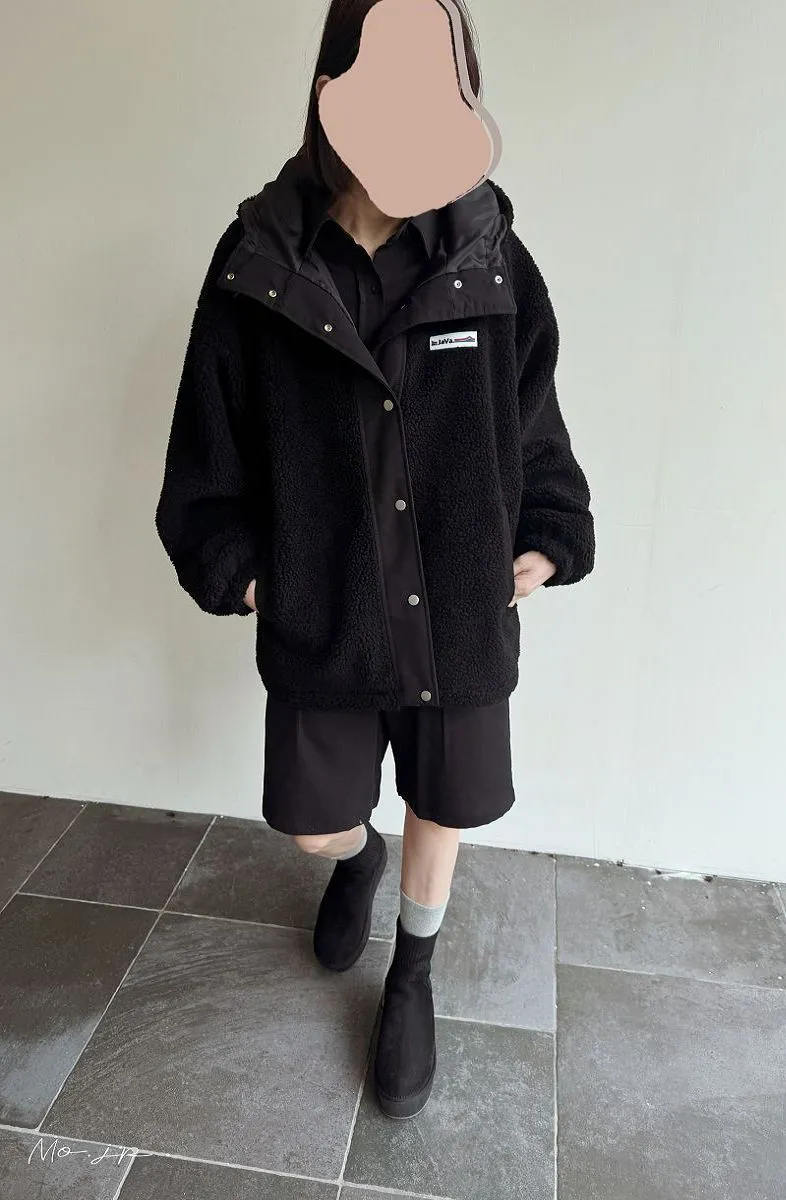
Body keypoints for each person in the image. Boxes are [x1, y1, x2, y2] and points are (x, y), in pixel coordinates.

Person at [155, 0, 594, 1121]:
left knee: (444, 800)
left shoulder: (492, 257)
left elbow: (531, 419)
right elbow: (209, 439)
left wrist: (546, 533)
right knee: (309, 819)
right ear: (333, 92)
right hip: (327, 610)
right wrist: (245, 568)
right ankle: (356, 862)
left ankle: (413, 973)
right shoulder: (259, 260)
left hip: (458, 608)